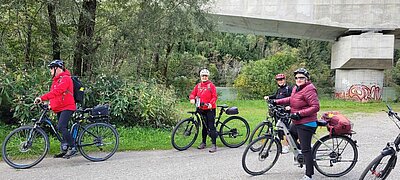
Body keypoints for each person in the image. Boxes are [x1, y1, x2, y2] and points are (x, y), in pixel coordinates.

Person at [272, 68, 320, 180]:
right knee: (289, 136)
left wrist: (299, 113)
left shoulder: (309, 89)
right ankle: (302, 151)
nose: (298, 79)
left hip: (307, 123)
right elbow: (291, 99)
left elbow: (315, 107)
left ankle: (309, 174)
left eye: (301, 78)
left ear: (307, 79)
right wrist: (276, 101)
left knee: (306, 149)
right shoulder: (296, 88)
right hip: (297, 121)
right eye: (297, 77)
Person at [34, 60, 77, 158]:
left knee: (61, 127)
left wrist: (42, 98)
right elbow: (55, 96)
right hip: (60, 108)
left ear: (57, 68)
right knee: (61, 128)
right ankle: (65, 149)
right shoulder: (56, 81)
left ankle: (73, 147)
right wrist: (49, 105)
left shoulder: (66, 79)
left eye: (51, 68)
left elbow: (58, 91)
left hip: (68, 107)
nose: (50, 71)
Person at [189, 69, 218, 153]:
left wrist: (210, 103)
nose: (204, 77)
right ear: (200, 77)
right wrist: (192, 99)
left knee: (211, 126)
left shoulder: (211, 85)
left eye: (206, 76)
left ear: (208, 77)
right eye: (203, 76)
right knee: (204, 126)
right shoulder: (198, 86)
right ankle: (203, 142)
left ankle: (214, 144)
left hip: (210, 109)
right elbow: (192, 94)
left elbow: (214, 96)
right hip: (201, 109)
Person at [264, 73, 292, 154]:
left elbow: (293, 99)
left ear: (285, 80)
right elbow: (276, 96)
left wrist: (290, 107)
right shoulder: (279, 89)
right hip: (278, 111)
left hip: (285, 112)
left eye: (281, 79)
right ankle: (282, 144)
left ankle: (286, 146)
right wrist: (269, 97)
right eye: (278, 80)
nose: (280, 81)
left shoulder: (289, 88)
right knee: (278, 128)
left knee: (283, 129)